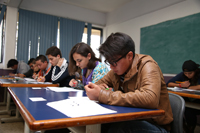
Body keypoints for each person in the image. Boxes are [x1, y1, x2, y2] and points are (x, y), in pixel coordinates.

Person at [84, 32, 173, 133]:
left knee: (119, 129)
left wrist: (103, 95)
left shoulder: (147, 65)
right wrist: (99, 88)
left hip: (155, 124)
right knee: (100, 124)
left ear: (129, 56)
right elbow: (96, 85)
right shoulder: (116, 70)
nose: (111, 67)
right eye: (109, 62)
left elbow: (150, 98)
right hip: (133, 118)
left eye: (114, 62)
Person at [167, 60, 200, 133]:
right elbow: (169, 83)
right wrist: (180, 85)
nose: (188, 75)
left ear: (195, 71)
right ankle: (188, 129)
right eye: (186, 73)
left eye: (190, 73)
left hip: (198, 101)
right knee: (185, 110)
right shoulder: (182, 75)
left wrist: (196, 87)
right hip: (189, 102)